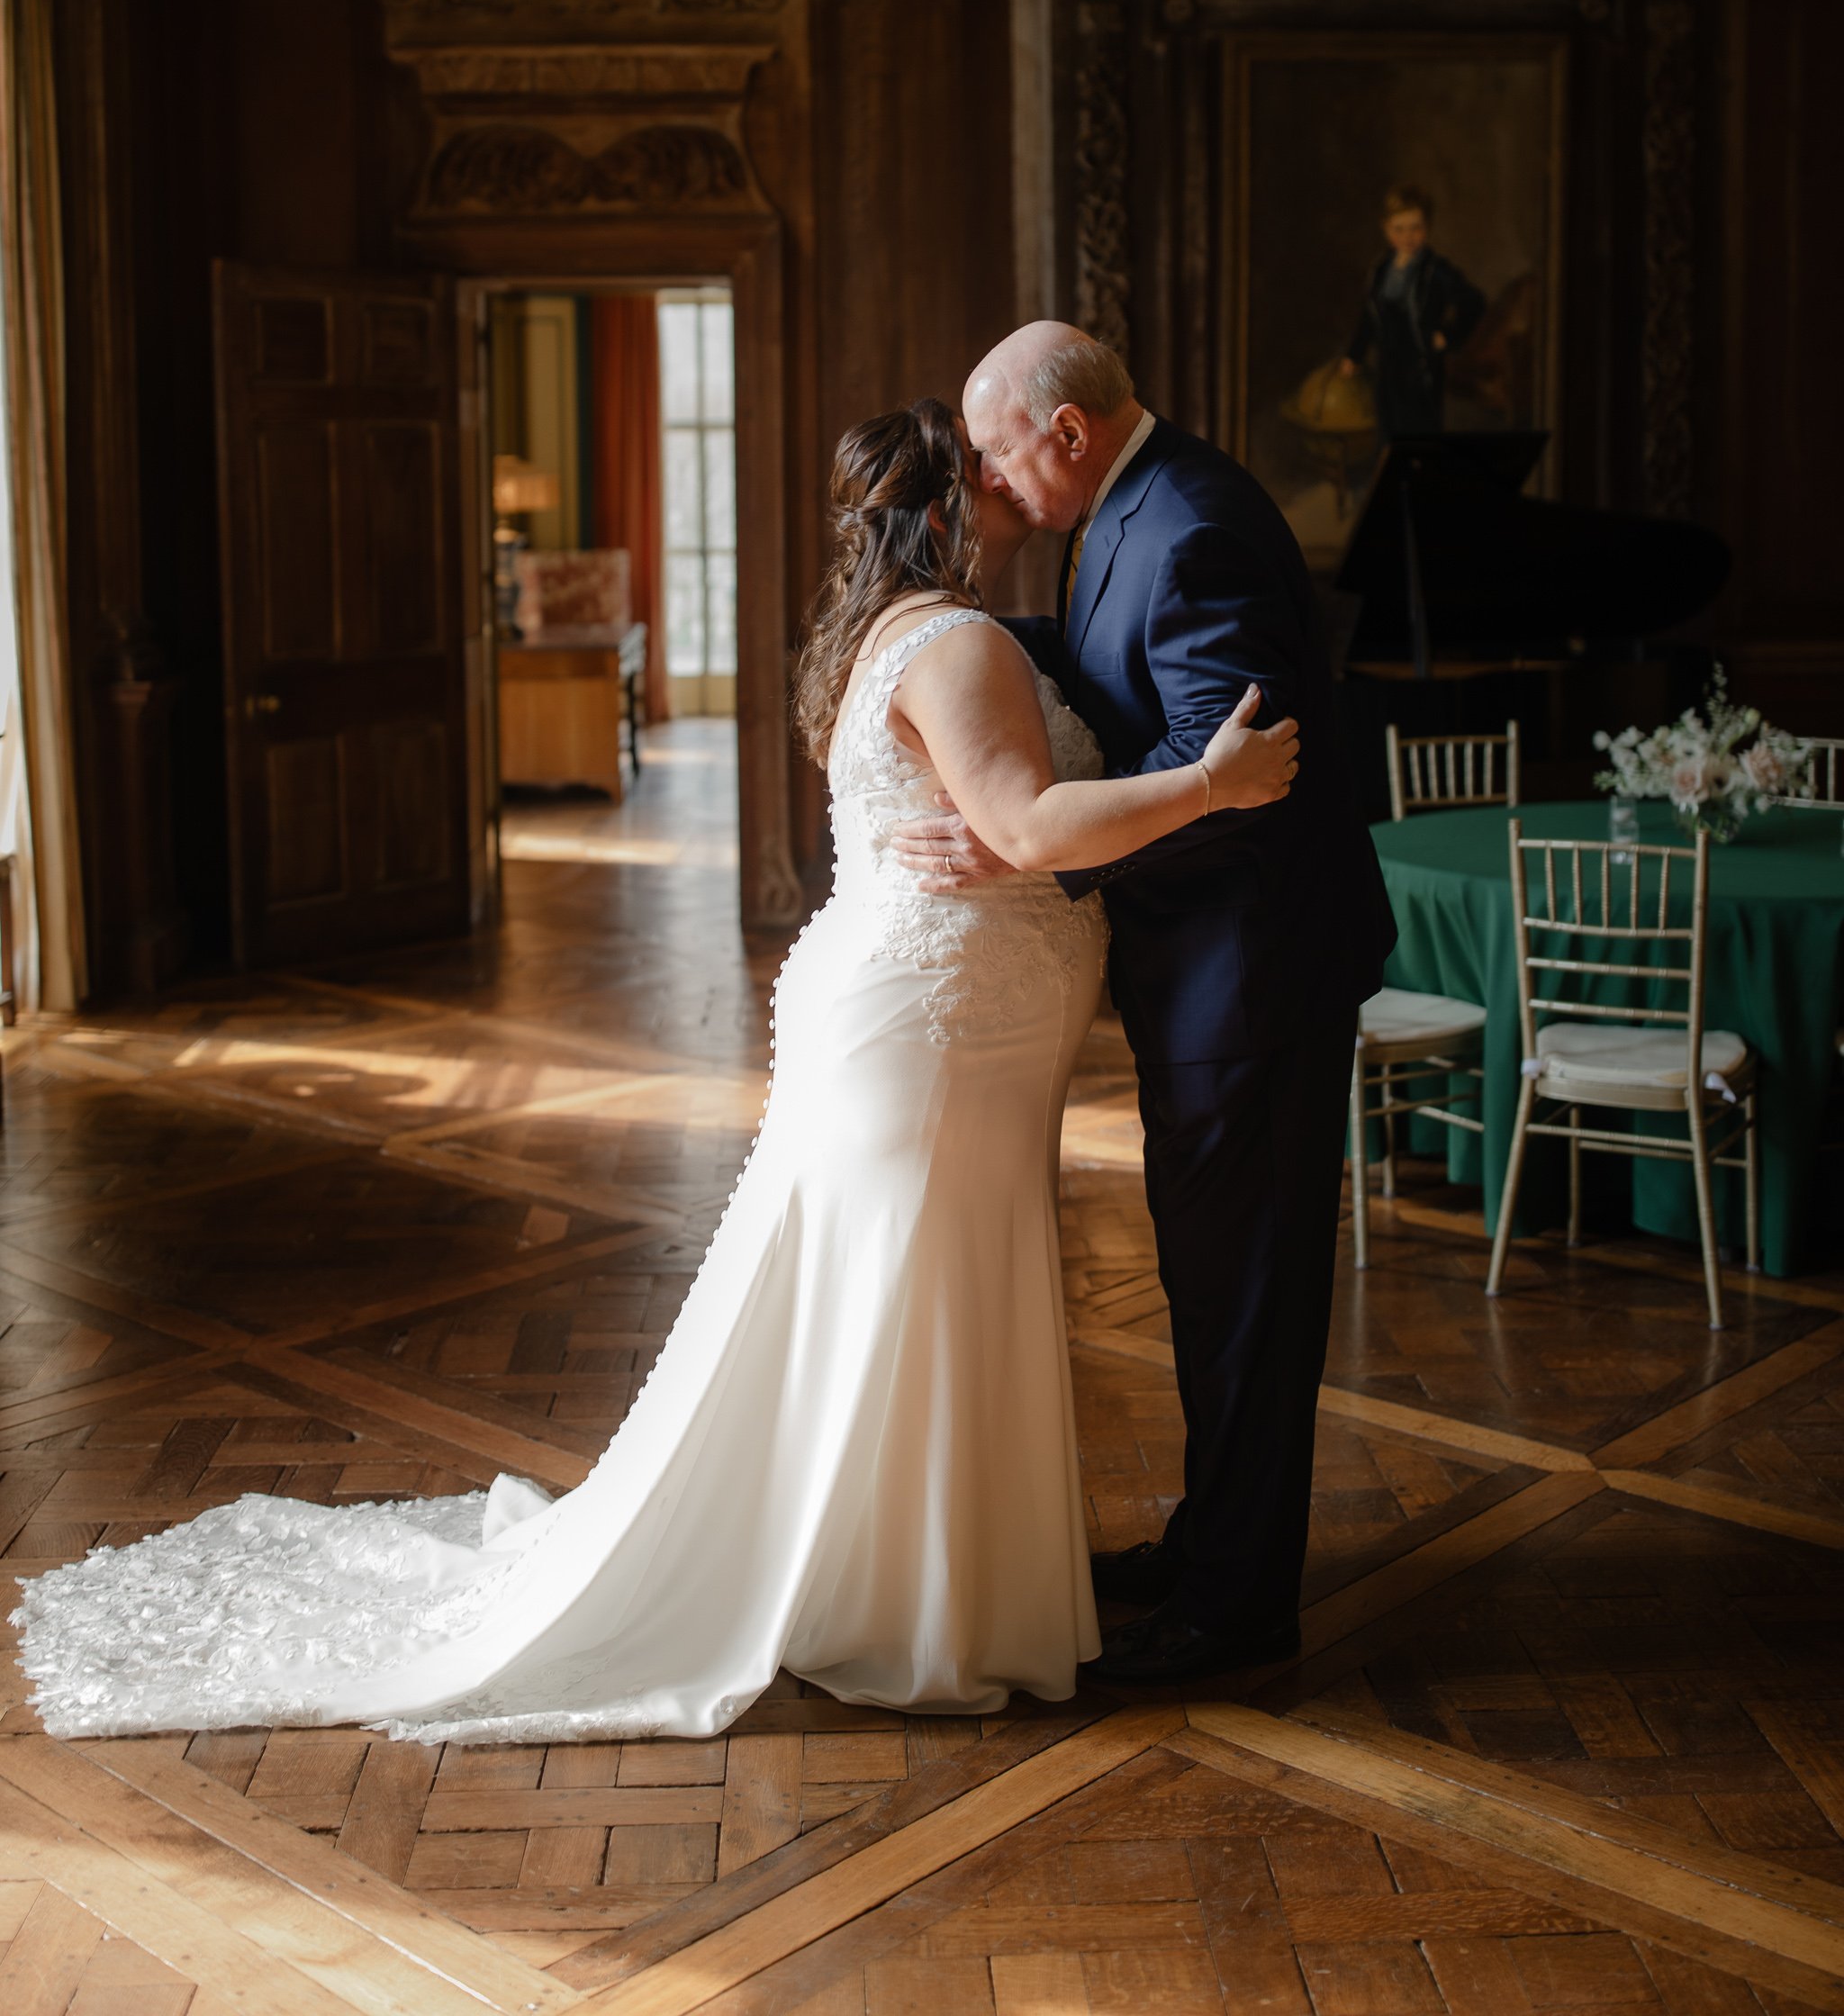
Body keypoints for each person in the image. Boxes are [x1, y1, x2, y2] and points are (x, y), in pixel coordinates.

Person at [18, 399, 1297, 1742]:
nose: (998, 492)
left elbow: (987, 812)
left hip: (929, 1021)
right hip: (937, 1033)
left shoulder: (879, 638)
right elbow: (1029, 823)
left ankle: (892, 1587)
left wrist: (1012, 828)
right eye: (976, 476)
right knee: (913, 1294)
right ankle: (906, 1613)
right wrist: (1215, 783)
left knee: (897, 1300)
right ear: (938, 512)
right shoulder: (958, 640)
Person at [896, 325, 1396, 1684]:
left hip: (1255, 981)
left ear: (1064, 435)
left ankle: (1234, 1618)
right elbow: (1116, 664)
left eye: (999, 453)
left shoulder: (1193, 530)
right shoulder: (1135, 505)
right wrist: (950, 633)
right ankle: (1212, 1548)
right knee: (1212, 1281)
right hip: (1213, 982)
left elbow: (1231, 778)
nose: (993, 486)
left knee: (1249, 1298)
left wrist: (1025, 844)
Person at [1340, 184, 1485, 439]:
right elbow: (1370, 317)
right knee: (1388, 430)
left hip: (1420, 367)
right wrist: (1355, 354)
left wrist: (1448, 336)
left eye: (1416, 228)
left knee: (1420, 434)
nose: (1408, 236)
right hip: (1388, 367)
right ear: (1386, 229)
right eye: (1400, 229)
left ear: (1427, 227)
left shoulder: (1435, 271)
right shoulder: (1382, 270)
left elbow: (1474, 301)